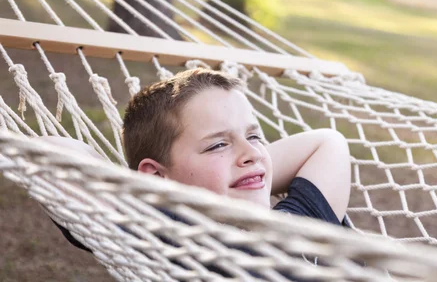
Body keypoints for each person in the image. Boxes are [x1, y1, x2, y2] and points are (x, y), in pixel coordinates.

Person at [45, 68, 351, 259]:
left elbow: (328, 142)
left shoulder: (299, 222)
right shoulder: (164, 240)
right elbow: (52, 156)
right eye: (218, 144)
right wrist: (149, 192)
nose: (254, 154)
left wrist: (249, 167)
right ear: (155, 177)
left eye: (255, 137)